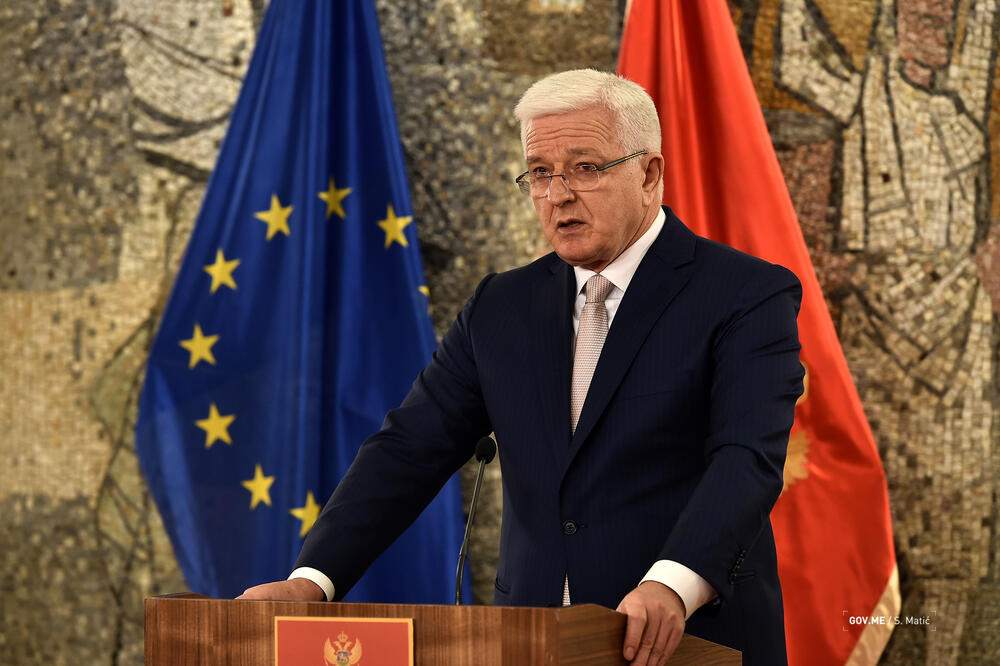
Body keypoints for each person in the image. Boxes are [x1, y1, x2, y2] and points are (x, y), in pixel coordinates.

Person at [240, 69, 803, 666]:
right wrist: (312, 580)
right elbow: (408, 449)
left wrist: (672, 583)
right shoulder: (500, 306)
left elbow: (746, 458)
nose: (557, 195)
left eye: (585, 168)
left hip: (687, 637)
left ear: (649, 173)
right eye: (539, 172)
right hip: (530, 638)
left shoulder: (746, 295)